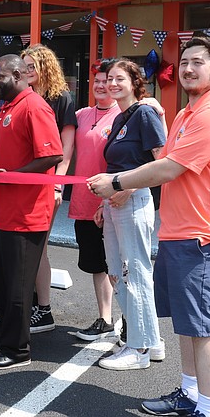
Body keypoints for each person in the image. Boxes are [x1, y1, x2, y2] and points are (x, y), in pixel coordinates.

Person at [88, 36, 210, 417]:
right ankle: (191, 394)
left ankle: (209, 409)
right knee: (188, 325)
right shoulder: (189, 113)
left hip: (205, 234)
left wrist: (118, 182)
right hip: (179, 231)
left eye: (198, 63)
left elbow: (169, 167)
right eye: (185, 62)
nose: (189, 69)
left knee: (204, 327)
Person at [0, 54, 63, 370]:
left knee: (17, 285)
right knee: (3, 280)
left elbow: (52, 155)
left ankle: (18, 351)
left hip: (25, 214)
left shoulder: (34, 106)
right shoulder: (7, 109)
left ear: (17, 74)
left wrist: (13, 176)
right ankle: (7, 338)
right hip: (3, 211)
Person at [93, 59, 166, 371]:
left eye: (119, 79)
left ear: (136, 83)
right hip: (114, 205)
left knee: (134, 274)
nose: (112, 84)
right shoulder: (123, 117)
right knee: (116, 271)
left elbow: (162, 163)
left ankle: (139, 349)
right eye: (110, 79)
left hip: (134, 202)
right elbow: (115, 168)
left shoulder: (145, 113)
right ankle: (151, 340)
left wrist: (128, 188)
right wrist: (104, 200)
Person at [21, 43, 77, 333]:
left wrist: (57, 186)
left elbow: (66, 149)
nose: (28, 71)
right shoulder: (22, 97)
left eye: (33, 66)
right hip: (23, 181)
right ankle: (30, 303)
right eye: (25, 66)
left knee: (39, 246)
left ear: (46, 67)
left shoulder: (61, 98)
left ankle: (44, 310)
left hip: (47, 183)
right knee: (26, 246)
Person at [67, 60, 120, 340]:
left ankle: (133, 322)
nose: (101, 86)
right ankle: (105, 318)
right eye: (97, 81)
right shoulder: (80, 115)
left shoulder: (124, 114)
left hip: (112, 201)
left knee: (119, 263)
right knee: (95, 263)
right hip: (83, 201)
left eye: (107, 81)